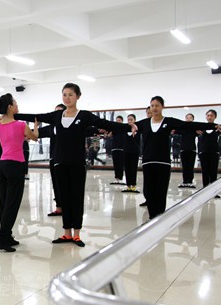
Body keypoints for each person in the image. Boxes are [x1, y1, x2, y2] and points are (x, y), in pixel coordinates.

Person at [16, 82, 133, 246]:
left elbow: (106, 124)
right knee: (64, 198)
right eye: (64, 95)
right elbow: (36, 116)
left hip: (77, 164)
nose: (67, 98)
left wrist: (129, 127)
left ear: (78, 96)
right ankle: (66, 233)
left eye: (70, 94)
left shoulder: (84, 116)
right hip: (60, 163)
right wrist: (12, 116)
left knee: (76, 198)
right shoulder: (57, 116)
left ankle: (76, 234)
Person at [134, 96, 221, 219]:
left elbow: (188, 125)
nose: (154, 108)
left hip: (163, 162)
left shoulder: (169, 121)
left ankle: (159, 217)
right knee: (149, 190)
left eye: (157, 105)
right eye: (152, 105)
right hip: (148, 162)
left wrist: (211, 126)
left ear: (162, 107)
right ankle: (152, 216)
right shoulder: (144, 123)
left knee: (161, 190)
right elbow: (125, 127)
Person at [0, 94, 38, 252]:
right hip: (15, 166)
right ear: (10, 107)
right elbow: (35, 137)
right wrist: (36, 126)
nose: (17, 105)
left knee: (4, 202)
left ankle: (7, 235)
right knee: (12, 203)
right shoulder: (21, 124)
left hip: (2, 166)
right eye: (15, 102)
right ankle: (2, 239)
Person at [38, 103, 65, 216]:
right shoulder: (51, 127)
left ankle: (68, 207)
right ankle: (59, 208)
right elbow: (37, 133)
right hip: (53, 159)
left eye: (59, 112)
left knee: (65, 184)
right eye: (55, 112)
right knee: (56, 183)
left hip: (65, 159)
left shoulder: (69, 126)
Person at [175, 113, 198, 188]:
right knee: (184, 166)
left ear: (193, 119)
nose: (188, 119)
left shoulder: (195, 128)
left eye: (190, 117)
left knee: (190, 166)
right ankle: (185, 181)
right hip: (183, 149)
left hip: (192, 149)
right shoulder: (182, 127)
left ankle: (190, 181)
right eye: (187, 118)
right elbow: (174, 130)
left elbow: (201, 131)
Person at [121, 114, 141, 193]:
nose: (129, 121)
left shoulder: (138, 130)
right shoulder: (125, 129)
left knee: (133, 168)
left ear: (134, 120)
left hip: (134, 152)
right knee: (127, 169)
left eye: (131, 119)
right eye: (128, 119)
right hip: (126, 152)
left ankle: (133, 185)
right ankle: (128, 186)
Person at [109, 115, 125, 185]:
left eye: (119, 120)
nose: (118, 121)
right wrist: (112, 129)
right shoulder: (114, 128)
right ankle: (116, 178)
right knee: (115, 164)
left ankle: (120, 178)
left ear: (122, 121)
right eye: (117, 120)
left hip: (121, 148)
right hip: (114, 148)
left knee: (121, 164)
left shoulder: (124, 128)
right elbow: (109, 135)